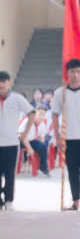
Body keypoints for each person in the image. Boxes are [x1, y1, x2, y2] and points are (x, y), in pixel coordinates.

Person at [0, 71, 32, 211]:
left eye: (4, 82)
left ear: (9, 83)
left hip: (11, 142)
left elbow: (32, 113)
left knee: (10, 174)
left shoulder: (17, 98)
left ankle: (9, 200)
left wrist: (25, 133)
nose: (1, 85)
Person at [50, 58, 80, 210]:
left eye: (78, 71)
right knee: (73, 171)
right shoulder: (59, 93)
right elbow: (55, 115)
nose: (75, 75)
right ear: (67, 73)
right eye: (72, 71)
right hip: (69, 138)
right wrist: (58, 137)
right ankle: (76, 201)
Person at [23, 106, 53, 177]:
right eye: (40, 114)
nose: (41, 116)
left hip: (32, 141)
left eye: (43, 115)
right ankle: (24, 161)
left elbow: (42, 137)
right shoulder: (28, 121)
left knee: (43, 146)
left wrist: (41, 145)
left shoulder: (42, 124)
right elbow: (23, 136)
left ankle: (43, 167)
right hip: (22, 140)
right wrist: (29, 148)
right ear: (35, 113)